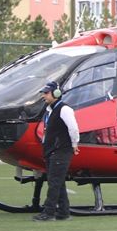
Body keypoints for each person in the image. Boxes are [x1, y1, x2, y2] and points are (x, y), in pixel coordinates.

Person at [33, 80, 79, 222]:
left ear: (56, 93)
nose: (43, 96)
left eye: (46, 93)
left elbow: (73, 128)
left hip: (61, 151)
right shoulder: (50, 110)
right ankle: (63, 213)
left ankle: (49, 212)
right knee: (58, 182)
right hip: (53, 151)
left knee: (54, 183)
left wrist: (74, 144)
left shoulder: (64, 109)